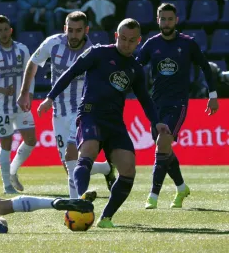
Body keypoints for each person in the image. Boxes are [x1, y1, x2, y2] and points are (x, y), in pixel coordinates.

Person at [37, 18, 170, 228]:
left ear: (138, 41)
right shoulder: (97, 53)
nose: (126, 44)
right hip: (91, 113)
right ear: (116, 36)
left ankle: (106, 218)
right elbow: (70, 73)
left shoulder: (135, 69)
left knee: (128, 169)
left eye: (131, 40)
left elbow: (145, 99)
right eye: (123, 38)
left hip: (114, 122)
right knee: (88, 151)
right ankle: (81, 199)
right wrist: (50, 97)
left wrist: (157, 122)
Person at [17, 11, 116, 200]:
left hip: (81, 110)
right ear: (65, 29)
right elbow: (33, 62)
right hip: (59, 112)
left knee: (71, 156)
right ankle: (105, 168)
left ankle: (75, 204)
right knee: (69, 163)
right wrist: (24, 93)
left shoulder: (92, 52)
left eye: (78, 31)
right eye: (70, 30)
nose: (73, 35)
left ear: (86, 30)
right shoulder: (52, 43)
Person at [137, 3, 219, 210]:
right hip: (155, 104)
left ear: (176, 20)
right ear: (158, 20)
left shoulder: (188, 43)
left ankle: (153, 196)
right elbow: (135, 68)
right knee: (164, 147)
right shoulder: (151, 44)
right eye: (162, 19)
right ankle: (181, 188)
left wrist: (213, 94)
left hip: (178, 102)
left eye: (169, 19)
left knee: (162, 143)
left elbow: (205, 67)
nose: (166, 23)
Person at [0, 15, 37, 194]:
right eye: (0, 30)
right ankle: (7, 185)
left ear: (11, 30)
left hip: (21, 104)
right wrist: (0, 89)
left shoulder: (22, 49)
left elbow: (30, 73)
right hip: (0, 106)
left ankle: (12, 171)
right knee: (6, 144)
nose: (3, 33)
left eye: (6, 29)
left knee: (31, 140)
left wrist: (29, 94)